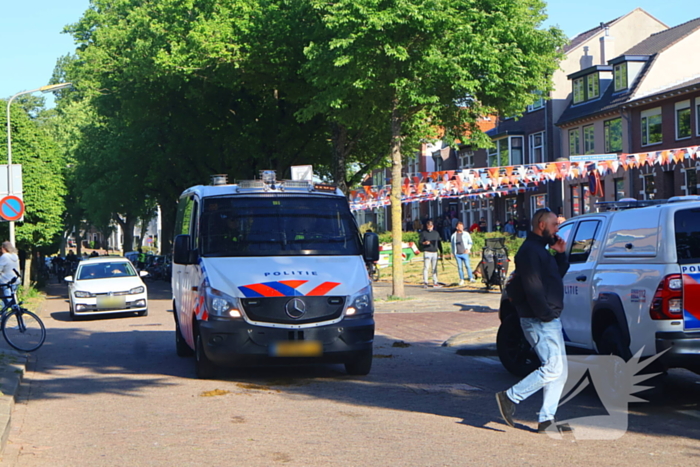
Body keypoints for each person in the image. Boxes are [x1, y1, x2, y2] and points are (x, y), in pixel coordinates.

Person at [496, 208, 570, 434]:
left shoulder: (540, 250)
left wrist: (560, 254)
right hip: (539, 319)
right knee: (554, 368)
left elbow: (554, 276)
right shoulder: (530, 251)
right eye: (554, 225)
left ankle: (547, 419)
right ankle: (510, 397)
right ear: (542, 225)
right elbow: (532, 286)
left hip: (547, 317)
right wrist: (545, 314)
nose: (557, 229)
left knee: (559, 371)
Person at [419, 220, 443, 288]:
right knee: (426, 267)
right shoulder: (424, 233)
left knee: (434, 268)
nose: (429, 228)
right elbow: (420, 242)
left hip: (435, 252)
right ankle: (425, 282)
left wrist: (441, 252)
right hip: (427, 252)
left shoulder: (436, 233)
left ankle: (435, 282)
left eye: (430, 226)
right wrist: (424, 243)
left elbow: (439, 243)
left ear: (433, 226)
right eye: (428, 226)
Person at [450, 222, 475, 286]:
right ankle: (462, 279)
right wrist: (453, 253)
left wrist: (468, 249)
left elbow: (470, 242)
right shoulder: (453, 236)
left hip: (465, 253)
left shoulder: (466, 234)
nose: (461, 228)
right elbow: (452, 245)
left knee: (468, 266)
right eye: (460, 226)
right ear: (457, 227)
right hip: (457, 254)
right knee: (460, 267)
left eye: (462, 226)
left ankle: (471, 278)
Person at [0, 242, 20, 307]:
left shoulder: (4, 256)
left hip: (6, 282)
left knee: (8, 301)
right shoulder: (15, 256)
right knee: (9, 300)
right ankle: (6, 313)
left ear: (4, 248)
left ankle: (13, 310)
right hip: (15, 281)